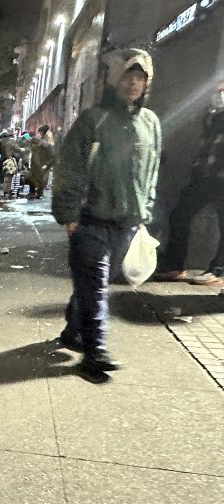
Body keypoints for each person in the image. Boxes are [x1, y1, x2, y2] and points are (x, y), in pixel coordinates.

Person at [52, 49, 162, 383]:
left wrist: (146, 207)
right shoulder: (94, 119)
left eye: (140, 77)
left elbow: (152, 169)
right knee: (97, 288)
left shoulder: (150, 123)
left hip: (127, 224)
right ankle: (94, 352)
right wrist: (68, 215)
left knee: (91, 285)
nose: (133, 83)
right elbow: (69, 168)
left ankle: (74, 330)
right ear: (115, 80)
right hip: (91, 221)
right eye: (128, 76)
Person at [155, 79, 224, 286]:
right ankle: (174, 265)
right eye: (218, 91)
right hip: (203, 176)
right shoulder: (213, 116)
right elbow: (207, 146)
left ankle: (219, 270)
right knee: (179, 215)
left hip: (221, 178)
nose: (220, 95)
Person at [28, 124, 56, 199]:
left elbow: (52, 156)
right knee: (35, 178)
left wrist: (46, 165)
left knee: (39, 178)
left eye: (39, 133)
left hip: (42, 164)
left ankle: (37, 193)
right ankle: (35, 193)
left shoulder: (46, 143)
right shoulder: (40, 142)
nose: (38, 134)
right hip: (39, 164)